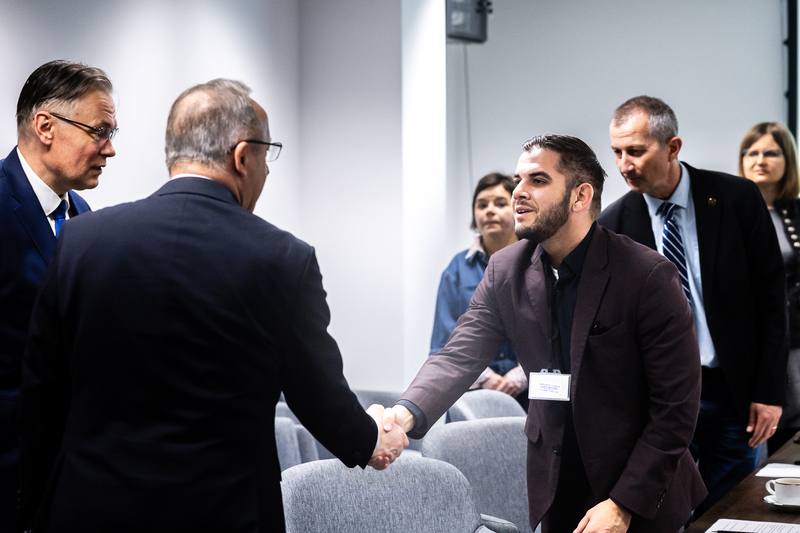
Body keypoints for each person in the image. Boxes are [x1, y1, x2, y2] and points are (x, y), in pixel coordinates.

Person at [17, 79, 407, 532]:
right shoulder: (282, 259)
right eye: (267, 155)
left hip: (88, 509)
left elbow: (41, 395)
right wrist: (372, 438)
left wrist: (35, 514)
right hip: (225, 512)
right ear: (242, 156)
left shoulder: (82, 241)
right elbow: (317, 395)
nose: (266, 170)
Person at [385, 134, 707, 532]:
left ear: (580, 196)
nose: (518, 191)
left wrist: (623, 504)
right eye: (518, 179)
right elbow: (457, 355)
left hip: (640, 489)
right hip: (556, 484)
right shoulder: (506, 270)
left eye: (537, 180)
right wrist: (402, 415)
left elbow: (676, 409)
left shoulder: (646, 275)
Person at [599, 96, 788, 518]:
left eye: (636, 150)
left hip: (731, 392)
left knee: (733, 510)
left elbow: (771, 301)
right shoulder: (613, 224)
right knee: (666, 513)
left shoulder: (736, 198)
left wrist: (769, 392)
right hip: (659, 401)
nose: (625, 164)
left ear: (672, 147)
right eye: (617, 152)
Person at [0, 60, 116, 533]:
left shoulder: (83, 214)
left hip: (69, 470)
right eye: (100, 131)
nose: (110, 149)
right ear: (45, 126)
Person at [431, 173, 527, 407]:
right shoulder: (456, 269)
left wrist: (519, 378)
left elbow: (555, 334)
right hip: (471, 396)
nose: (489, 211)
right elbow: (443, 341)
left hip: (530, 397)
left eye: (500, 203)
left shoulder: (538, 261)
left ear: (517, 209)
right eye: (482, 205)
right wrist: (486, 379)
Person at [738, 122, 800, 454]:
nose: (760, 160)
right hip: (747, 339)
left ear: (788, 159)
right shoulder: (728, 213)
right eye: (752, 152)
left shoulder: (796, 212)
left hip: (795, 339)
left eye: (771, 152)